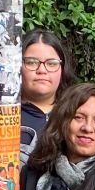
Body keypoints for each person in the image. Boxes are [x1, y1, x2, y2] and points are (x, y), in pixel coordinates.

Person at [19, 28, 70, 161]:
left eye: (51, 63)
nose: (42, 70)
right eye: (31, 62)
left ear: (62, 69)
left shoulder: (75, 114)